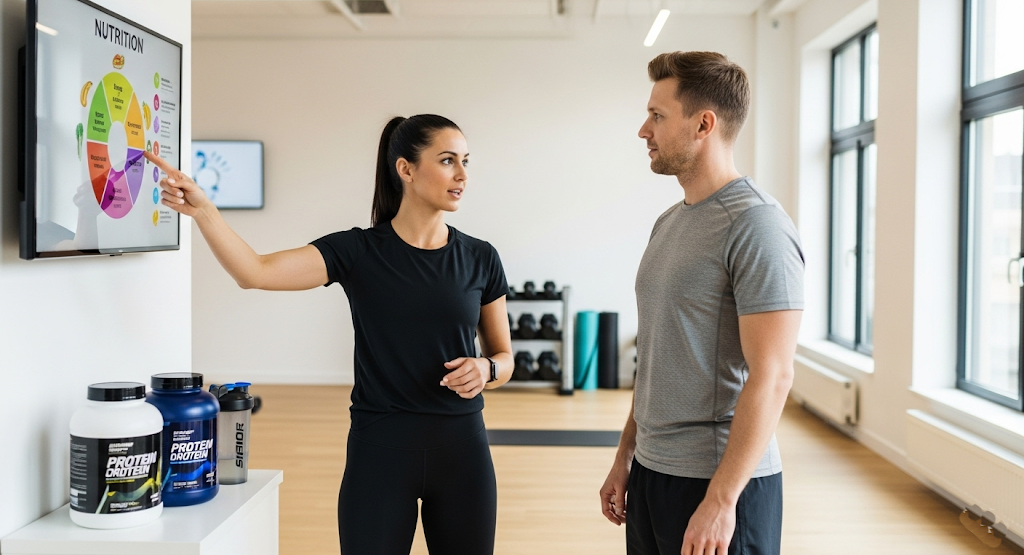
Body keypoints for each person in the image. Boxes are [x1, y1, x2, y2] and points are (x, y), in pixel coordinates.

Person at [145, 114, 513, 555]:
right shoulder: (358, 251)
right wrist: (204, 211)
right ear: (406, 169)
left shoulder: (480, 257)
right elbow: (254, 272)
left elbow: (504, 356)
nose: (462, 175)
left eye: (466, 161)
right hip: (380, 452)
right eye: (448, 160)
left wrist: (486, 368)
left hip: (463, 450)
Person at [599, 52, 804, 555]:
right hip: (654, 472)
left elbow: (773, 375)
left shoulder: (757, 226)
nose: (643, 130)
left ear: (703, 124)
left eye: (657, 115)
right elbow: (658, 354)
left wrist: (721, 499)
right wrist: (627, 454)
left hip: (716, 484)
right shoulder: (669, 222)